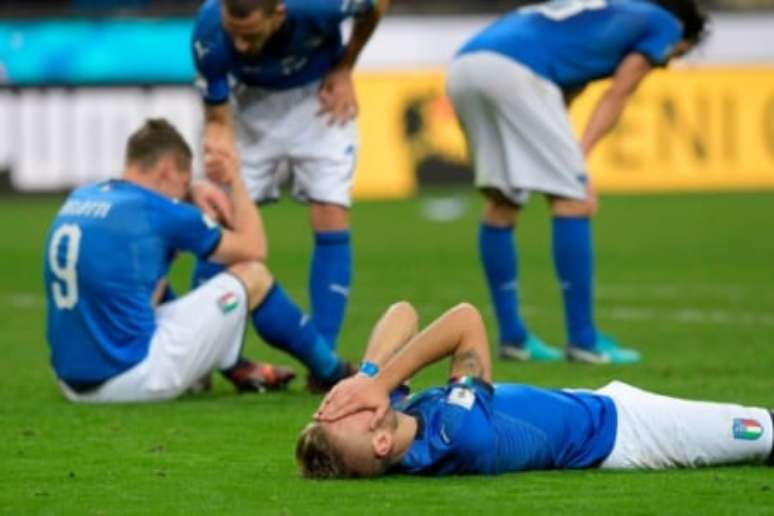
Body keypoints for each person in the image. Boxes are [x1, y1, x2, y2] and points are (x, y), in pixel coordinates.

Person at [445, 0, 708, 363]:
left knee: (501, 202)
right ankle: (584, 340)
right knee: (574, 199)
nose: (666, 61)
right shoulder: (665, 24)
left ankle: (513, 338)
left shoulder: (606, 18)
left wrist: (565, 157)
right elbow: (618, 93)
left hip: (465, 67)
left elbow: (563, 93)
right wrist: (577, 164)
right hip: (517, 72)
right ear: (684, 34)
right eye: (676, 55)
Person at [43, 118, 351, 402]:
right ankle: (331, 372)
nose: (180, 195)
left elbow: (145, 272)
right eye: (182, 182)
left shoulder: (83, 197)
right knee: (253, 276)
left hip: (71, 385)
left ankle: (233, 366)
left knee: (145, 282)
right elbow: (254, 247)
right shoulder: (155, 211)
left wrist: (189, 192)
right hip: (132, 378)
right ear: (166, 170)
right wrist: (234, 182)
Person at [298, 302, 773, 478]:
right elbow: (465, 320)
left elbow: (403, 312)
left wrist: (366, 374)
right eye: (344, 417)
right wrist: (378, 382)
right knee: (763, 431)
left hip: (595, 404)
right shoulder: (454, 436)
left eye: (328, 409)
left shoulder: (401, 421)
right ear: (380, 443)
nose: (342, 406)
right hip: (628, 434)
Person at [190, 0, 389, 387]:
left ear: (278, 13)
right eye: (235, 34)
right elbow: (215, 114)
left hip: (320, 99)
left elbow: (377, 5)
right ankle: (200, 359)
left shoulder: (319, 5)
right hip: (251, 106)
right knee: (224, 221)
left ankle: (324, 362)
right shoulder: (209, 29)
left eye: (250, 34)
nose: (242, 46)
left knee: (330, 211)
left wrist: (346, 66)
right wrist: (217, 139)